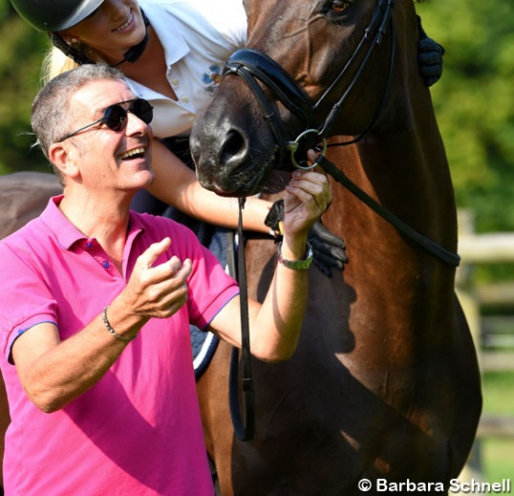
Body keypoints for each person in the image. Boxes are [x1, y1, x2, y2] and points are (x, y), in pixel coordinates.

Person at [0, 64, 332, 495]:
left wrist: (293, 241)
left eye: (138, 111)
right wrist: (128, 311)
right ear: (65, 158)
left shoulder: (171, 239)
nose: (139, 127)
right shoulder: (18, 257)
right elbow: (45, 387)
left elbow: (271, 340)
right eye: (113, 120)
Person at [6, 0, 348, 277]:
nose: (119, 10)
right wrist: (276, 219)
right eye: (94, 11)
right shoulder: (95, 95)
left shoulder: (202, 5)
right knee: (127, 242)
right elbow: (185, 189)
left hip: (268, 132)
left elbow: (297, 68)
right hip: (179, 171)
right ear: (70, 36)